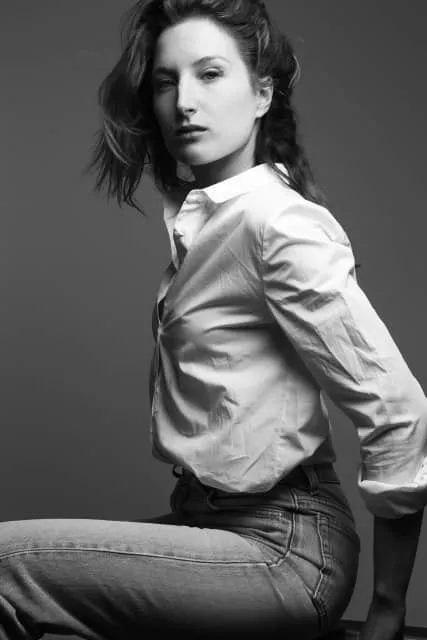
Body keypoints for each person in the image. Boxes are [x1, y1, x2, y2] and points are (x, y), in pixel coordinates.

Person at [1, 0, 426, 638]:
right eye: (166, 82)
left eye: (209, 74)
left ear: (262, 95)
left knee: (6, 564)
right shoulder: (207, 224)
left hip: (285, 550)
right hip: (213, 526)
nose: (184, 102)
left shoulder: (276, 223)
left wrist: (388, 610)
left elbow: (398, 412)